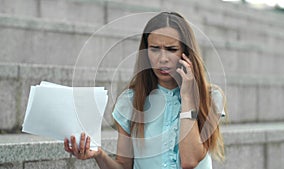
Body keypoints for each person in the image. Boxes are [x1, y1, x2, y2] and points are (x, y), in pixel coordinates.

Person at [64, 11, 226, 169]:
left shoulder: (210, 98)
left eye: (171, 49)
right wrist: (99, 154)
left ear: (186, 53)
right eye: (155, 48)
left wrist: (188, 97)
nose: (162, 59)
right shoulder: (130, 100)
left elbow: (189, 161)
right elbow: (123, 166)